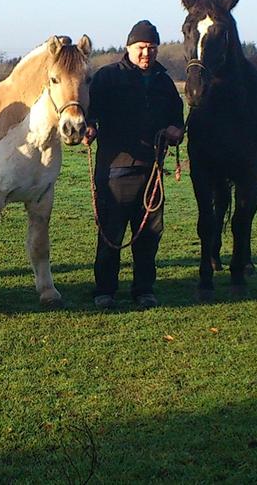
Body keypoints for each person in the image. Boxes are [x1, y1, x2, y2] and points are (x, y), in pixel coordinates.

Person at [83, 20, 184, 309]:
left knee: (150, 236)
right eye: (141, 48)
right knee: (110, 235)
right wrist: (90, 127)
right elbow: (92, 112)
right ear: (128, 47)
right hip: (114, 170)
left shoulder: (164, 82)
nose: (146, 54)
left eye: (152, 48)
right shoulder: (107, 78)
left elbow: (176, 117)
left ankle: (144, 290)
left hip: (152, 172)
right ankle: (105, 290)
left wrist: (177, 130)